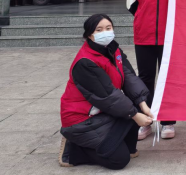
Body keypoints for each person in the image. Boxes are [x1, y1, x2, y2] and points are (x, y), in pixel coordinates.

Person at [59, 14, 152, 169]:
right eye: (99, 30)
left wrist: (143, 104)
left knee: (137, 106)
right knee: (119, 160)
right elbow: (108, 95)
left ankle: (118, 143)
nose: (105, 33)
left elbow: (129, 77)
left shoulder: (113, 50)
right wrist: (135, 115)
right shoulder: (85, 62)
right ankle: (73, 150)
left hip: (102, 110)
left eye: (108, 28)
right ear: (89, 35)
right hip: (81, 119)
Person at [126, 0, 185, 141]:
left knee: (168, 79)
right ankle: (147, 121)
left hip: (170, 38)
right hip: (144, 38)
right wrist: (146, 20)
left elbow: (185, 6)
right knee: (145, 79)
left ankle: (168, 121)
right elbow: (132, 6)